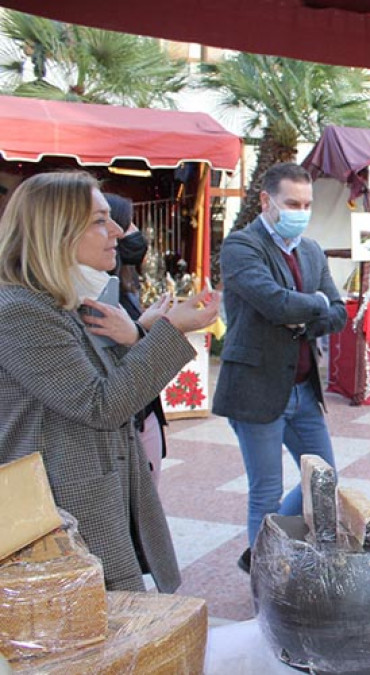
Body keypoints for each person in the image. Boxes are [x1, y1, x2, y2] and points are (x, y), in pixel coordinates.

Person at [0, 172, 221, 592]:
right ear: (57, 231)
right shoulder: (20, 311)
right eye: (101, 220)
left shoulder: (63, 299)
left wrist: (140, 333)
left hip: (92, 504)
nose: (118, 231)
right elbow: (101, 405)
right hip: (56, 522)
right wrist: (169, 332)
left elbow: (98, 383)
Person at [213, 162, 347, 574]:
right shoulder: (241, 246)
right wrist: (312, 305)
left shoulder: (310, 251)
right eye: (292, 203)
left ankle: (270, 549)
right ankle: (264, 580)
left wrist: (305, 310)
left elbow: (338, 311)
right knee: (265, 493)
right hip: (256, 387)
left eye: (307, 204)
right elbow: (273, 302)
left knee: (324, 479)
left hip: (303, 389)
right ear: (267, 201)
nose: (301, 212)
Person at [105, 193, 172, 487]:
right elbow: (100, 391)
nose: (128, 234)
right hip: (121, 425)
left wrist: (142, 328)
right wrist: (141, 331)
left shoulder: (123, 285)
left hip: (144, 414)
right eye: (127, 223)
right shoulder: (85, 295)